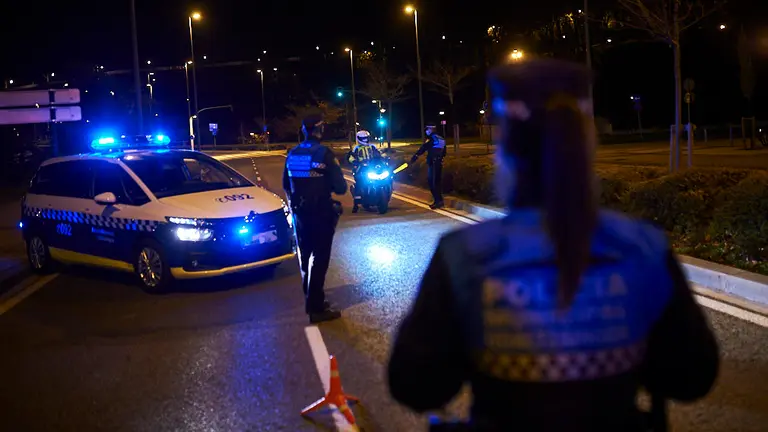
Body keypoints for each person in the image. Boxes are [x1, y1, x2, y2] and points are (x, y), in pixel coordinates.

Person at [388, 59, 719, 431]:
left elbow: (416, 386)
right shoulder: (642, 246)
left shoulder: (465, 254)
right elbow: (692, 377)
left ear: (505, 155)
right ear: (587, 146)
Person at [283, 115, 347, 324]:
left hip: (300, 213)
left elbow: (286, 184)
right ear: (319, 130)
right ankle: (316, 308)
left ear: (303, 130)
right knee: (320, 259)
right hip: (320, 212)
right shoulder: (324, 153)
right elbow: (340, 187)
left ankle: (311, 298)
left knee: (305, 256)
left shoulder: (292, 153)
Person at [410, 123, 446, 209]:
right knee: (437, 182)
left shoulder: (431, 139)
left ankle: (438, 201)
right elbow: (444, 152)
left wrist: (415, 157)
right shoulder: (441, 138)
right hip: (439, 162)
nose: (426, 131)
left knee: (432, 182)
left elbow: (423, 148)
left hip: (433, 163)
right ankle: (439, 201)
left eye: (427, 130)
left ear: (430, 130)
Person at [348, 130, 382, 212]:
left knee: (381, 178)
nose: (365, 140)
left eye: (366, 138)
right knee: (359, 183)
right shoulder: (356, 148)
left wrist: (384, 158)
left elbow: (378, 154)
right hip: (360, 168)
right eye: (363, 138)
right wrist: (355, 161)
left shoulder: (372, 146)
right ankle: (356, 204)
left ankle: (381, 195)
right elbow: (351, 157)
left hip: (372, 167)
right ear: (359, 138)